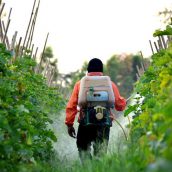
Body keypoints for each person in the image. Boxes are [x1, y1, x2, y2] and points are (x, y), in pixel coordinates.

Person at [65, 58, 126, 160]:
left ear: (88, 70)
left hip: (85, 123)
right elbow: (119, 106)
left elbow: (71, 106)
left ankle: (88, 168)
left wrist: (69, 124)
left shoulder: (80, 84)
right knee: (101, 153)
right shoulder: (110, 84)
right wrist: (123, 102)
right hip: (104, 123)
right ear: (101, 70)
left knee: (83, 150)